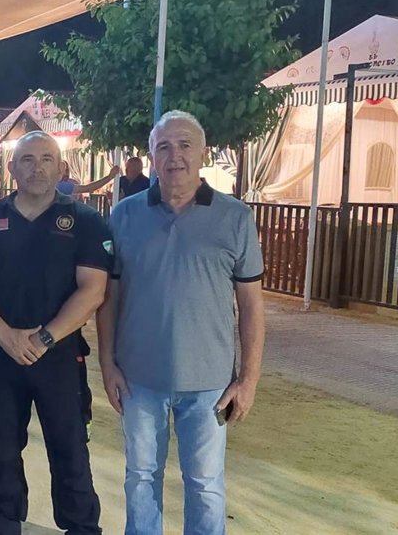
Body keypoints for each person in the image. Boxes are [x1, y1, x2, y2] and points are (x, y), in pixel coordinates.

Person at [96, 111, 266, 535]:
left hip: (210, 384)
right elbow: (108, 298)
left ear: (203, 153)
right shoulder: (124, 215)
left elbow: (251, 306)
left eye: (185, 145)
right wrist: (107, 363)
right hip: (138, 378)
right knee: (140, 478)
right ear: (151, 156)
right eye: (164, 147)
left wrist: (248, 380)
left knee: (205, 485)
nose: (175, 156)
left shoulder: (235, 217)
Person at [0, 131, 109, 535]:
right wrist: (4, 334)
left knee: (70, 449)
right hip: (0, 354)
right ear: (12, 168)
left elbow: (93, 290)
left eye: (46, 159)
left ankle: (82, 527)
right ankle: (5, 525)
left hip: (59, 356)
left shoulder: (85, 221)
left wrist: (45, 338)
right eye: (27, 159)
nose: (37, 167)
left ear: (62, 168)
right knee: (1, 451)